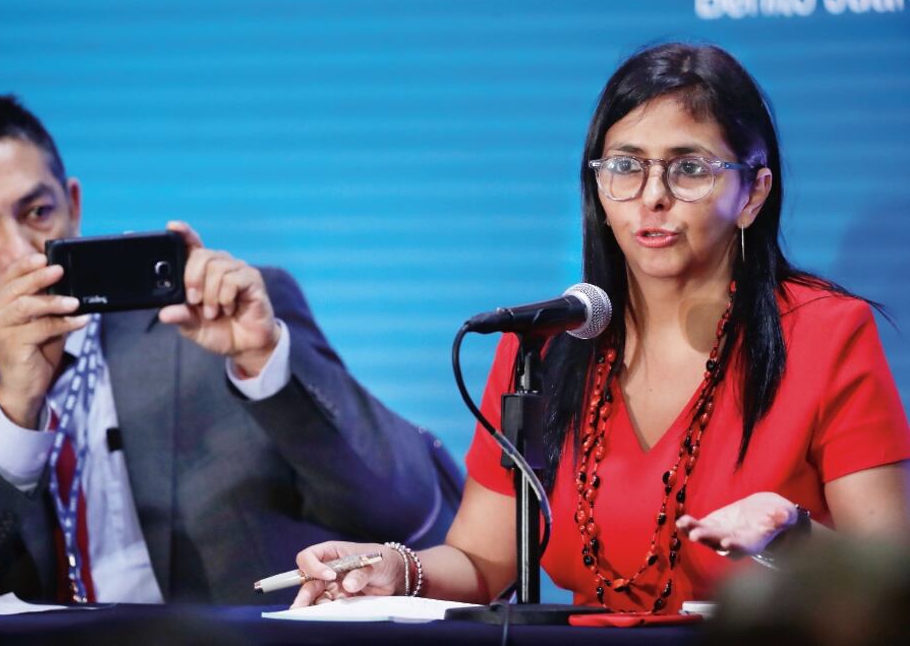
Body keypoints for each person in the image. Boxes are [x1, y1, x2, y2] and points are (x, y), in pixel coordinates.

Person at [290, 43, 910, 614]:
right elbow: (481, 562)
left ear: (752, 193)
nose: (652, 196)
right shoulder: (545, 343)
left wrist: (791, 535)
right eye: (626, 166)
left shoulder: (827, 334)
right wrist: (392, 569)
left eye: (689, 168)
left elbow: (889, 584)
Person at [0, 94, 461, 604]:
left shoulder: (220, 325)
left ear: (73, 206)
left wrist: (264, 365)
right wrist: (14, 403)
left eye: (37, 213)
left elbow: (409, 511)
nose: (21, 255)